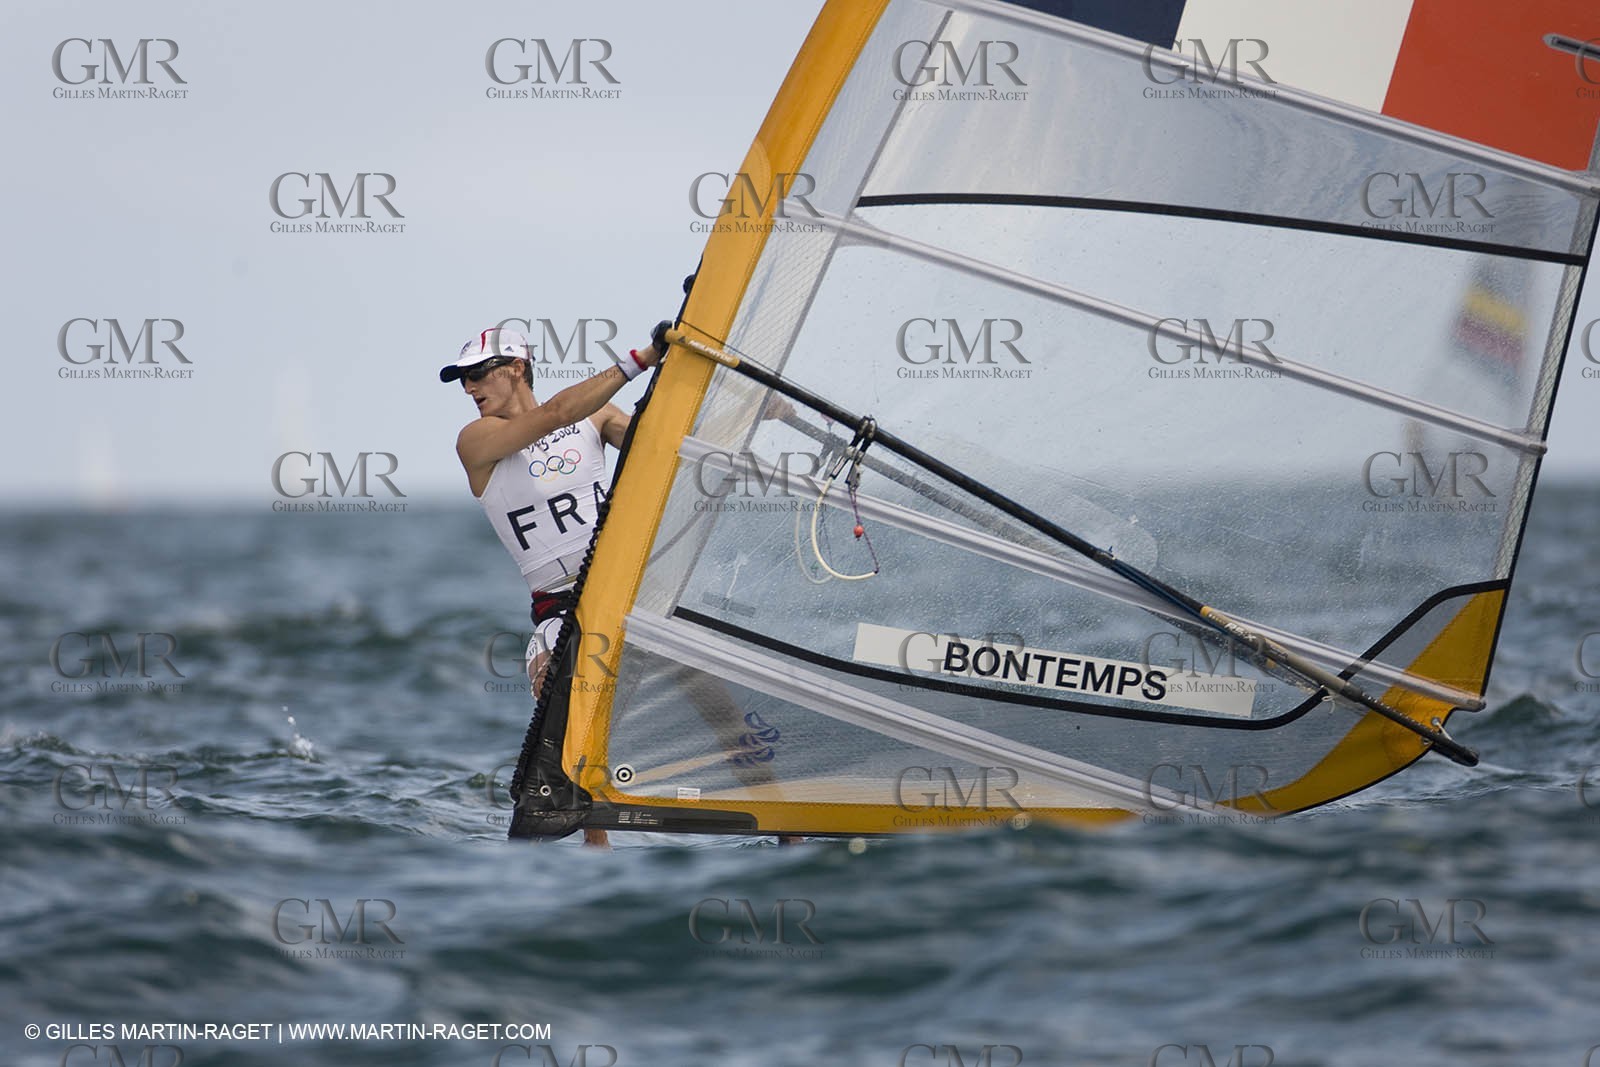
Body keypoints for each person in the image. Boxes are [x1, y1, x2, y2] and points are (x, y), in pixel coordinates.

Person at [443, 324, 663, 848]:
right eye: (463, 381)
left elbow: (660, 453)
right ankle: (594, 856)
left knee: (710, 696)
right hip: (557, 611)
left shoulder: (598, 416)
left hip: (621, 591)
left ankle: (787, 828)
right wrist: (645, 356)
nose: (470, 389)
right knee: (559, 694)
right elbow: (554, 415)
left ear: (516, 367)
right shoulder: (476, 442)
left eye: (478, 375)